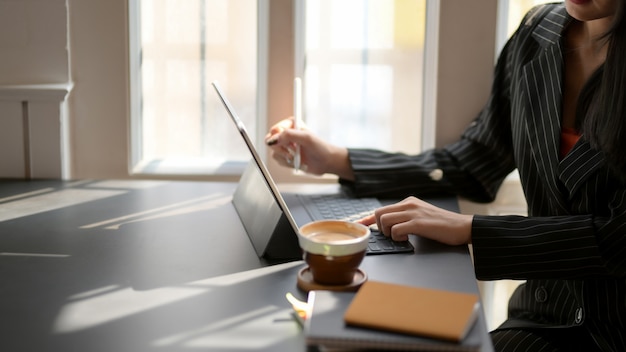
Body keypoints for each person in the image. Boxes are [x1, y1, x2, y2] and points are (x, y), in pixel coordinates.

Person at [265, 1, 625, 351]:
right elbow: (476, 162)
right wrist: (336, 160)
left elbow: (618, 237)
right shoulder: (537, 34)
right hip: (543, 318)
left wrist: (471, 230)